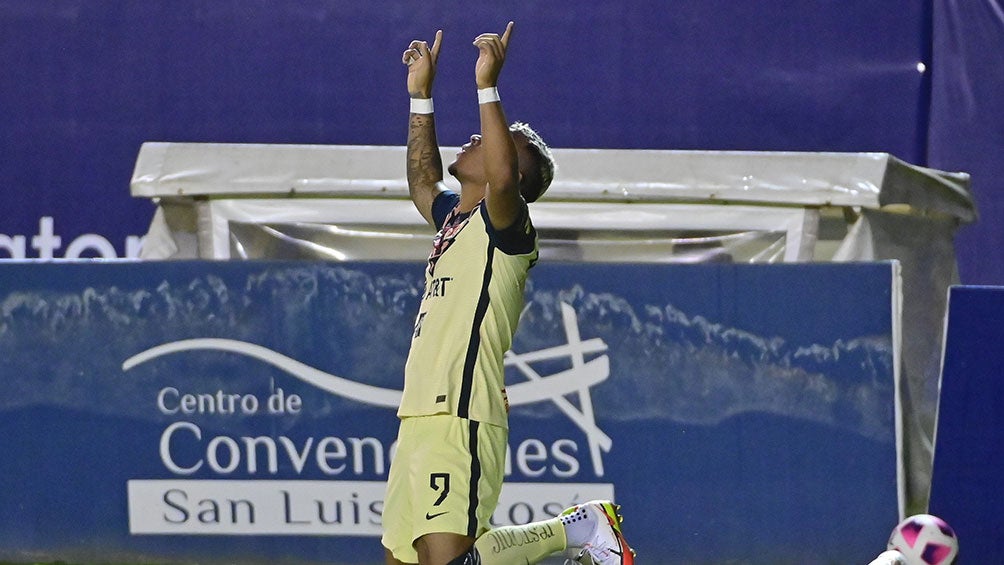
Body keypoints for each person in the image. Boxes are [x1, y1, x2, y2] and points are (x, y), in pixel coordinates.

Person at [380, 21, 636, 565]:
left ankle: (577, 529)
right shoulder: (456, 218)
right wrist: (420, 99)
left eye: (493, 141)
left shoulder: (508, 227)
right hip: (419, 415)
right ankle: (581, 528)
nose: (474, 137)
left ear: (510, 173)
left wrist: (487, 87)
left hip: (462, 413)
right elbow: (423, 182)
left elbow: (500, 179)